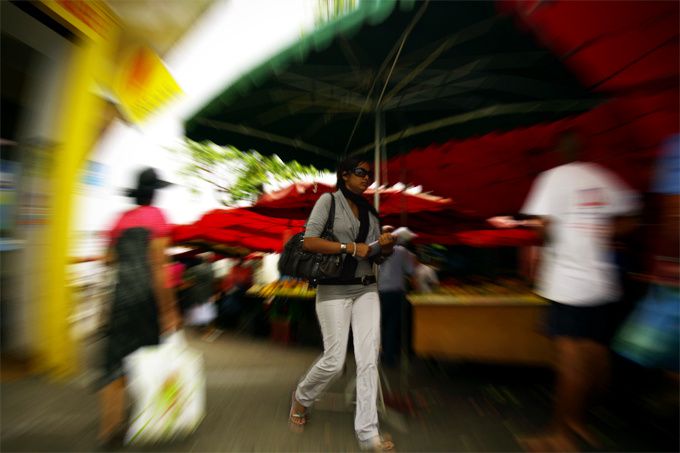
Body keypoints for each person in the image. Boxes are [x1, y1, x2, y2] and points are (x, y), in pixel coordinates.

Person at [491, 131, 640, 451]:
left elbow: (542, 227)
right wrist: (602, 232)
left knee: (569, 360)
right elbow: (632, 218)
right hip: (602, 282)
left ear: (558, 151)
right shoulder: (602, 177)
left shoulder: (553, 177)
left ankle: (561, 435)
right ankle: (581, 423)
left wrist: (539, 236)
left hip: (569, 284)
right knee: (594, 352)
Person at [289, 157, 396, 451]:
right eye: (361, 173)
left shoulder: (371, 212)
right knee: (335, 361)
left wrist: (385, 247)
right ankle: (302, 396)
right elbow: (308, 242)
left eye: (369, 175)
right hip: (333, 290)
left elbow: (374, 256)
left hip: (366, 289)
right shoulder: (329, 201)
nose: (367, 179)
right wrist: (349, 247)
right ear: (344, 175)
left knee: (367, 360)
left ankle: (368, 435)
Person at [98, 167, 181, 446]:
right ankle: (157, 414)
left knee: (115, 362)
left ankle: (110, 427)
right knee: (151, 358)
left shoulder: (119, 220)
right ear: (156, 193)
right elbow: (159, 268)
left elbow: (107, 260)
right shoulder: (157, 217)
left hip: (120, 297)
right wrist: (169, 310)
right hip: (146, 300)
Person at [378, 225, 415, 367]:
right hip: (395, 293)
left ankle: (378, 354)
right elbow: (410, 271)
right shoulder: (402, 252)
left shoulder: (375, 250)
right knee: (392, 326)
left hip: (378, 293)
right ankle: (388, 357)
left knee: (379, 325)